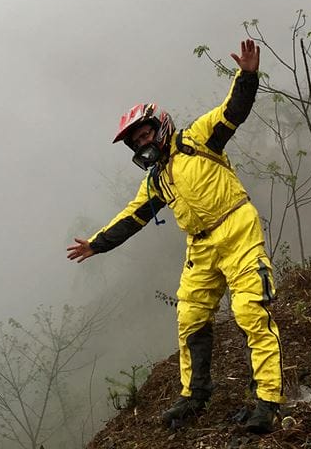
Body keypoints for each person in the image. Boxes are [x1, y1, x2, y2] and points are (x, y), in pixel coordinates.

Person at [66, 39, 283, 434]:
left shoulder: (196, 139)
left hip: (237, 230)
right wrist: (96, 244)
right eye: (135, 142)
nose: (141, 143)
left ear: (158, 126)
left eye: (144, 135)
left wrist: (247, 75)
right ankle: (194, 395)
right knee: (190, 317)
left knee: (252, 312)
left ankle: (267, 401)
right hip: (200, 247)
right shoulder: (158, 180)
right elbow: (132, 217)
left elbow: (233, 111)